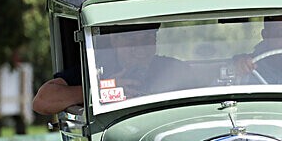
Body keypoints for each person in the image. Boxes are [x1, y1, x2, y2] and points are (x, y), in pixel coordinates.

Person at [32, 23, 190, 115]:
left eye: (147, 39)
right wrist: (102, 91)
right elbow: (42, 101)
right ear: (114, 41)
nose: (140, 49)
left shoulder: (173, 68)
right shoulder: (98, 68)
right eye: (131, 41)